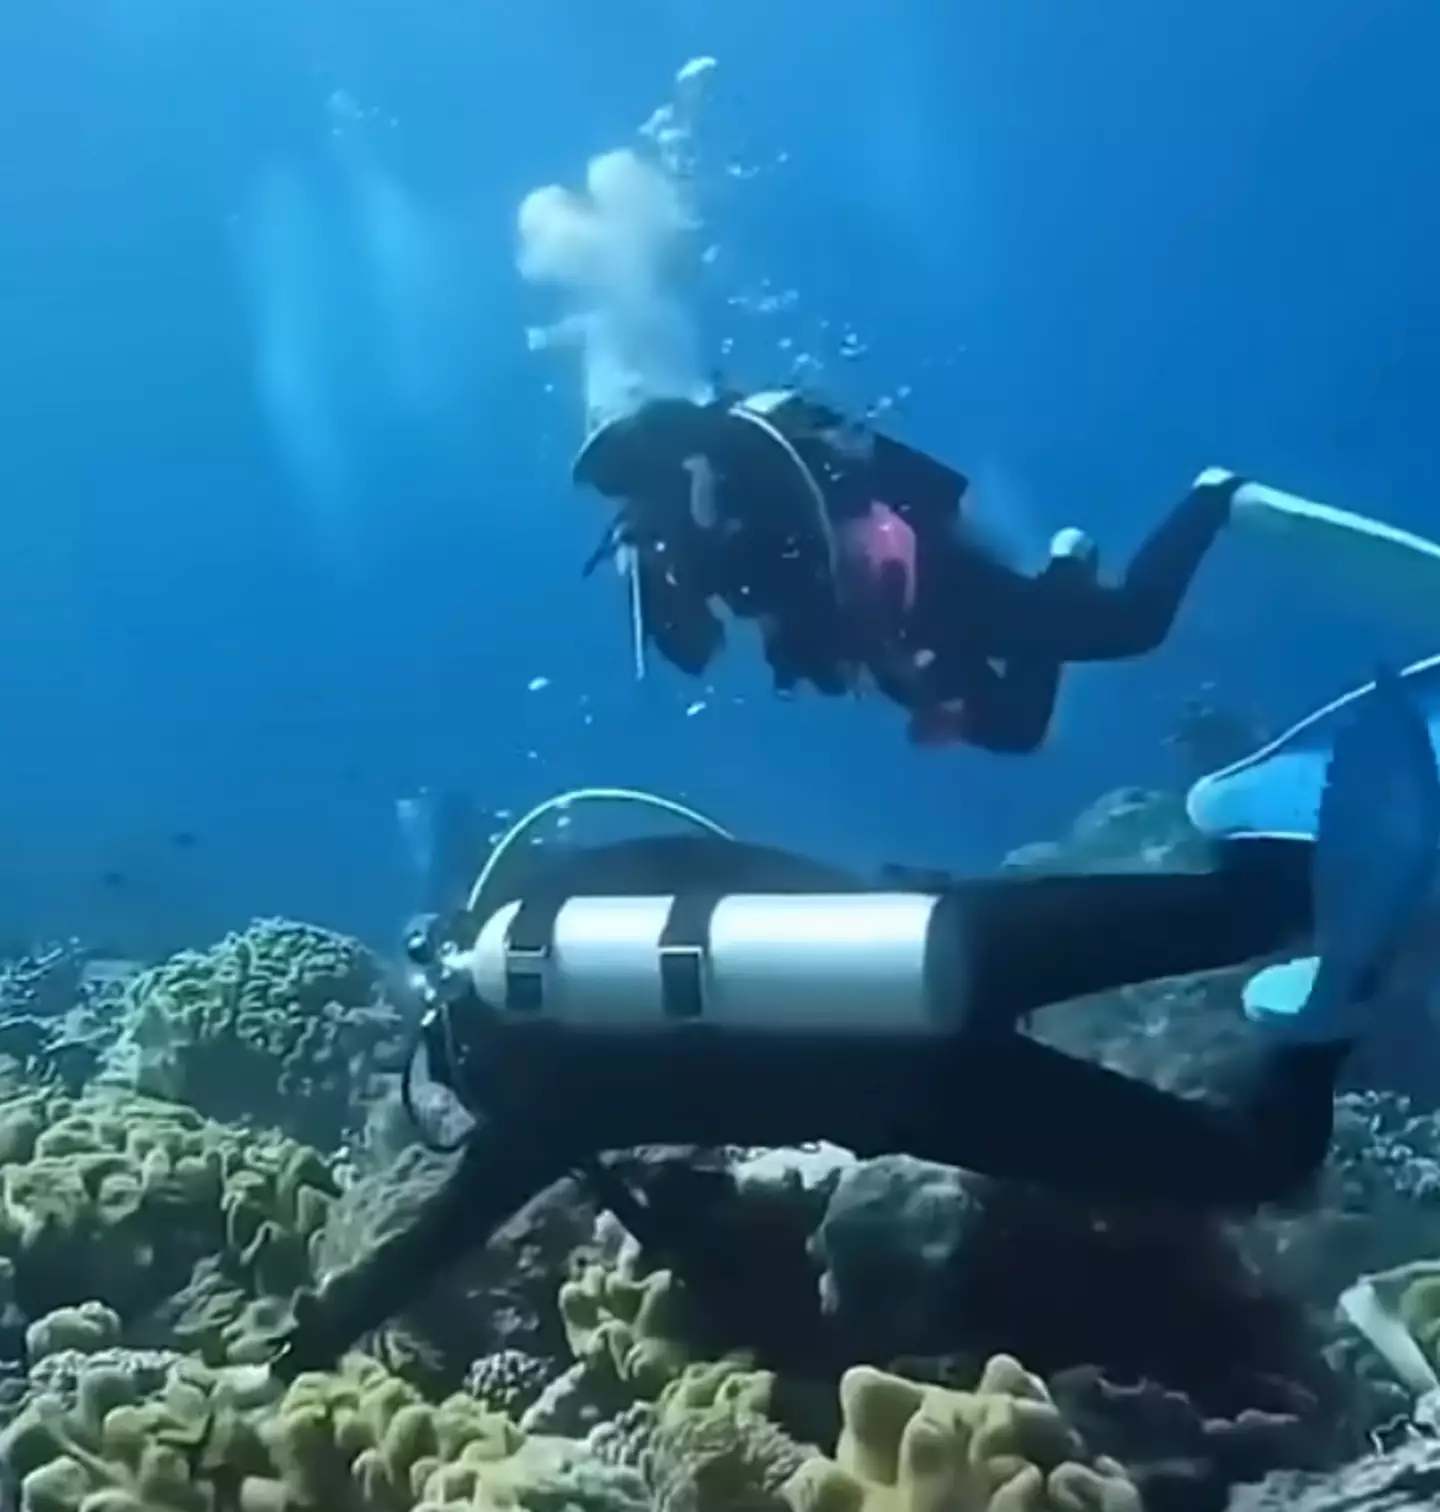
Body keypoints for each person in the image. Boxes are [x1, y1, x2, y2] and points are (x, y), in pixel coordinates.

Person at [268, 670, 1440, 1378]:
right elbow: (715, 857)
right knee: (1243, 907)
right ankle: (1266, 808)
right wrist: (865, 910)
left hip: (919, 1095)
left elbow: (437, 1236)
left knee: (1252, 1165)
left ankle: (1334, 994)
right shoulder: (566, 889)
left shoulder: (535, 1095)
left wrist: (312, 1341)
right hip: (919, 934)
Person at [575, 389, 1240, 752]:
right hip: (880, 634)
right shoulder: (673, 536)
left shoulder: (743, 459)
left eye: (629, 476)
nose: (631, 500)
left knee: (1135, 625)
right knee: (1014, 729)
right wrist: (659, 581)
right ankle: (1066, 572)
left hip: (931, 579)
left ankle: (1212, 496)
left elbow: (855, 507)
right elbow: (699, 651)